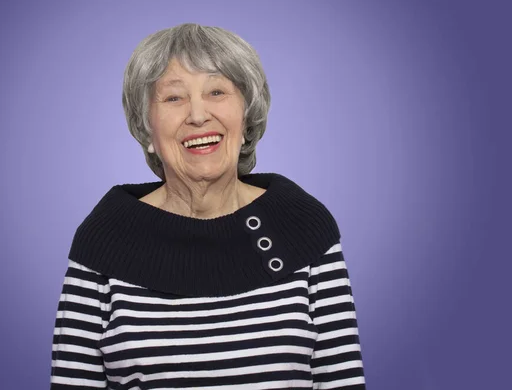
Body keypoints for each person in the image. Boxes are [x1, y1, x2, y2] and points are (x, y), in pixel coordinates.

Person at [50, 23, 366, 389]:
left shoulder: (305, 226)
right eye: (173, 98)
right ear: (147, 128)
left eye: (217, 91)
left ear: (246, 118)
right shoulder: (103, 240)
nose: (198, 115)